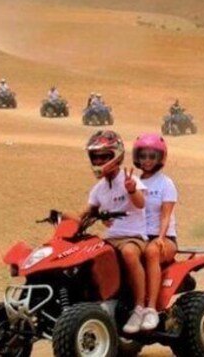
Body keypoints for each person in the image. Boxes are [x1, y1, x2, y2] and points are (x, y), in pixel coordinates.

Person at [77, 130, 148, 334]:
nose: (99, 160)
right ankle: (104, 301)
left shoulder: (130, 180)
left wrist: (132, 190)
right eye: (95, 156)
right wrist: (66, 219)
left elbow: (141, 203)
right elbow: (86, 211)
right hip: (111, 239)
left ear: (116, 156)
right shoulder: (98, 189)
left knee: (128, 253)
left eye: (104, 156)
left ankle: (140, 308)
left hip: (133, 237)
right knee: (90, 255)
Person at [134, 133, 178, 331]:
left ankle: (150, 309)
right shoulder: (133, 182)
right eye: (143, 156)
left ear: (160, 158)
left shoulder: (165, 183)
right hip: (139, 236)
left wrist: (160, 237)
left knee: (151, 252)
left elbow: (166, 215)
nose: (147, 161)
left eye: (152, 156)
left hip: (165, 237)